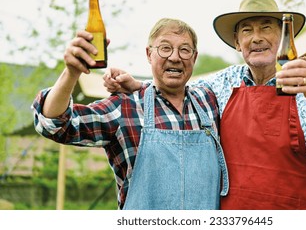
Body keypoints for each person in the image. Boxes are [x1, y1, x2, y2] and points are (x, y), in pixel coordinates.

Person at [103, 0, 306, 210]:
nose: (256, 37)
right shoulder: (217, 86)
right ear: (237, 42)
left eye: (266, 27)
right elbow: (176, 92)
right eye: (247, 30)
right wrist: (141, 86)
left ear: (283, 37)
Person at [32, 18, 229, 210]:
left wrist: (140, 85)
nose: (175, 57)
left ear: (194, 57)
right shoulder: (125, 107)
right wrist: (71, 72)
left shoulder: (209, 101)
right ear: (149, 54)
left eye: (184, 50)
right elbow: (55, 125)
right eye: (165, 48)